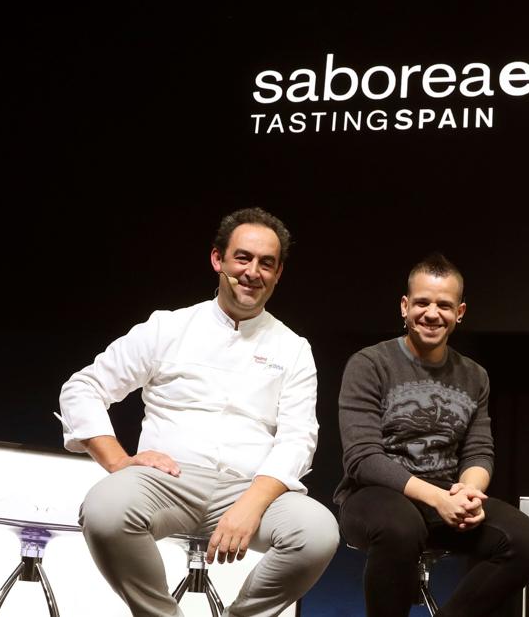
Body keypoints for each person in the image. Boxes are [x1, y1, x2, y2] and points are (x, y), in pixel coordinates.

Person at [58, 207, 338, 617]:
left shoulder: (293, 348)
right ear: (217, 259)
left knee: (317, 534)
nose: (253, 272)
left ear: (279, 274)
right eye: (242, 257)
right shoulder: (168, 327)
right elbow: (83, 386)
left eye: (267, 263)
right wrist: (119, 461)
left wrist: (251, 505)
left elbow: (299, 439)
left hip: (249, 486)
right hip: (168, 483)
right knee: (104, 510)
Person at [335, 253, 529, 617]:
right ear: (405, 306)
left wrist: (468, 491)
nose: (432, 313)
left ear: (459, 312)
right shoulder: (369, 364)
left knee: (527, 543)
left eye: (444, 305)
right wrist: (437, 498)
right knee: (401, 527)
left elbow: (479, 449)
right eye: (422, 302)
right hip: (373, 497)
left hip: (443, 499)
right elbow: (363, 458)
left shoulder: (475, 375)